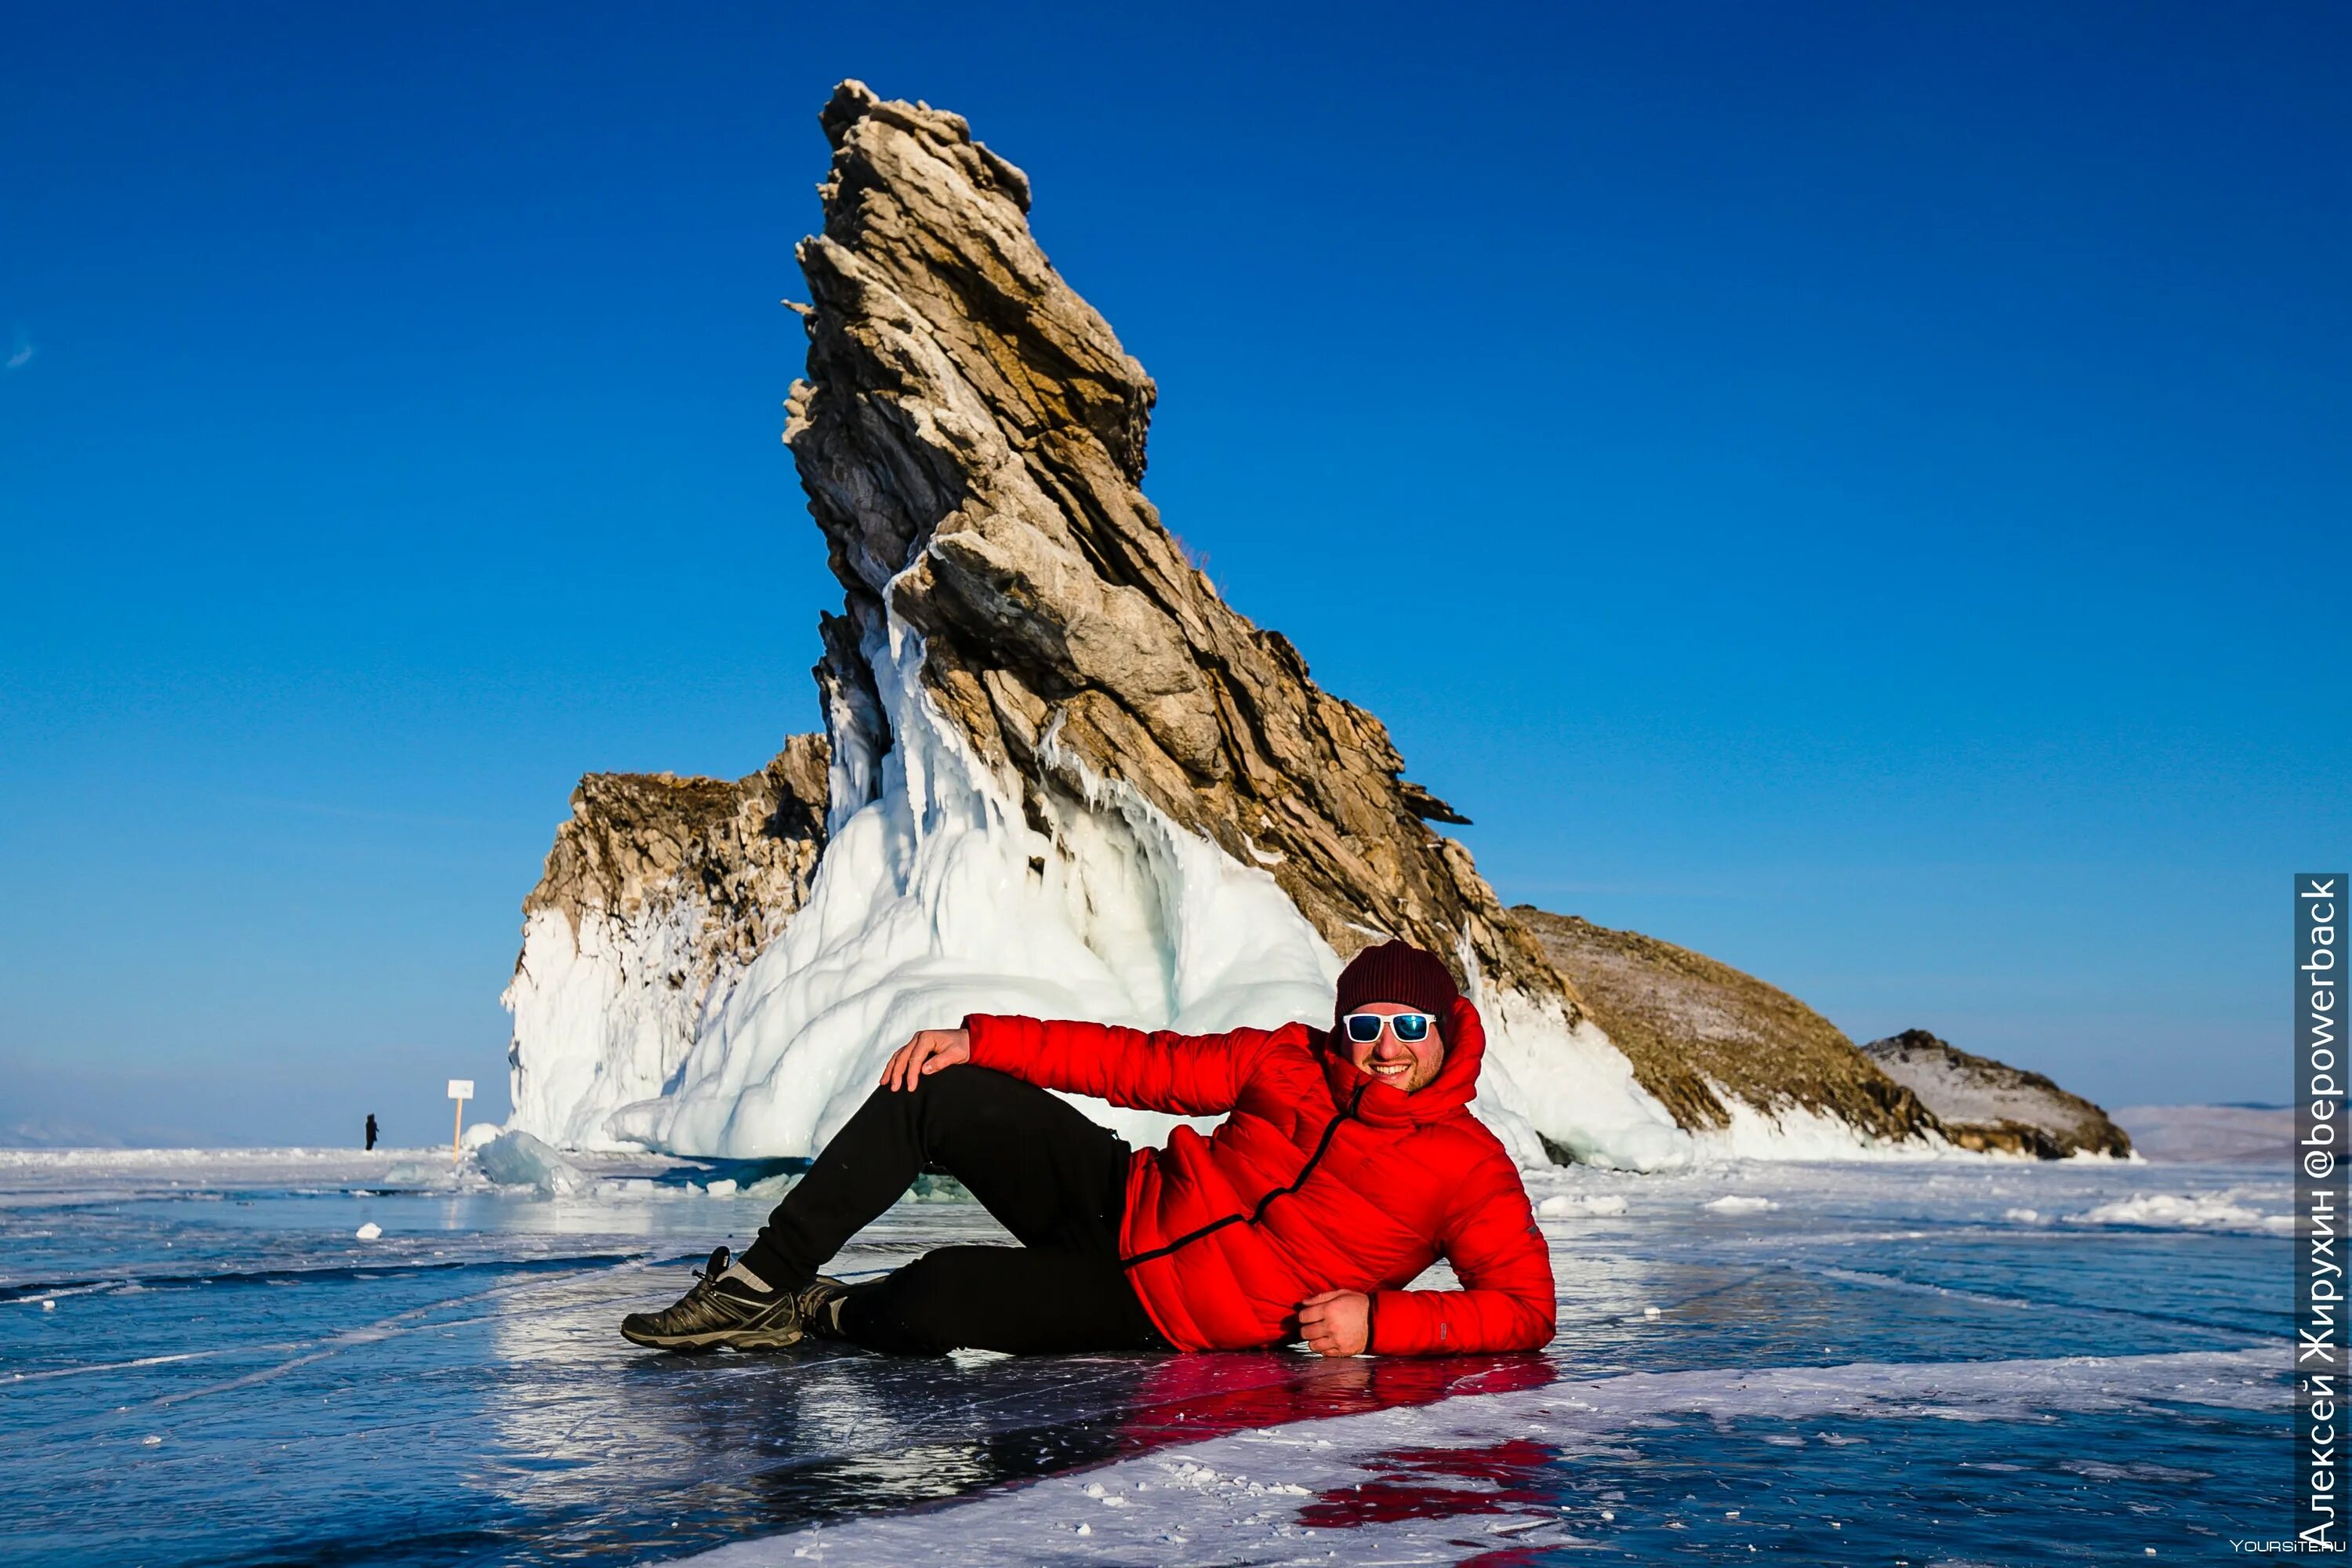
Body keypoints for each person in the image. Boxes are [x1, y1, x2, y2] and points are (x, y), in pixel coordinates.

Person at [619, 940, 1555, 1358]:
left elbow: (1524, 1309)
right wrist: (986, 1040)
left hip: (1160, 1308)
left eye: (1408, 1022)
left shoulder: (1468, 1164)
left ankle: (815, 1315)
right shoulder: (1287, 1060)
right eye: (1365, 1020)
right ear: (1340, 1022)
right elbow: (1140, 1064)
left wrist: (1382, 1322)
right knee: (939, 1089)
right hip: (1124, 1195)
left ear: (1445, 1029)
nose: (1385, 1044)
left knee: (944, 1291)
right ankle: (755, 1282)